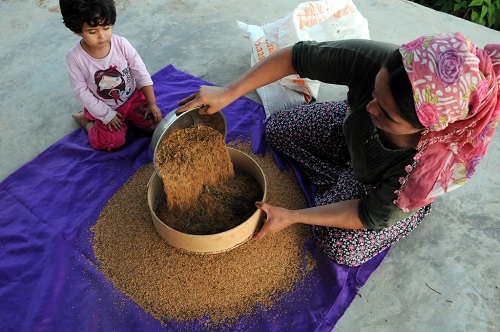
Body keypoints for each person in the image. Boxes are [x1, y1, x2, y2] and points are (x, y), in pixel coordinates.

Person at [175, 33, 500, 266]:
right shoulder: (382, 62)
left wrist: (292, 216)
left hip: (390, 184)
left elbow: (367, 215)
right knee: (277, 129)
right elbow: (295, 57)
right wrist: (228, 92)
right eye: (374, 94)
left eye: (386, 114)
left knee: (338, 245)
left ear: (428, 128)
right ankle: (348, 178)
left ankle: (401, 211)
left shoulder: (429, 168)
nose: (371, 109)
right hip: (352, 137)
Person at [60, 0, 162, 151]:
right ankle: (86, 121)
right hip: (104, 107)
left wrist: (151, 103)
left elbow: (140, 72)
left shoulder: (121, 44)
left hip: (132, 98)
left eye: (106, 28)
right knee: (111, 142)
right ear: (77, 30)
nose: (102, 36)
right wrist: (106, 115)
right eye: (92, 32)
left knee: (156, 124)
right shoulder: (75, 58)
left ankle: (129, 116)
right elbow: (81, 91)